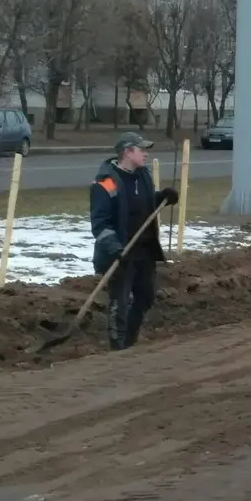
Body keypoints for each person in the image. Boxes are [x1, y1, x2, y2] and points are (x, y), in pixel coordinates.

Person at [90, 132, 179, 350]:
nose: (146, 154)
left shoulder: (143, 175)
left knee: (146, 297)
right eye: (142, 150)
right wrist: (115, 249)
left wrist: (162, 197)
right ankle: (118, 348)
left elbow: (142, 204)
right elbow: (100, 224)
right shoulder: (106, 183)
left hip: (144, 249)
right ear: (128, 152)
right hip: (120, 253)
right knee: (119, 303)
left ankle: (130, 342)